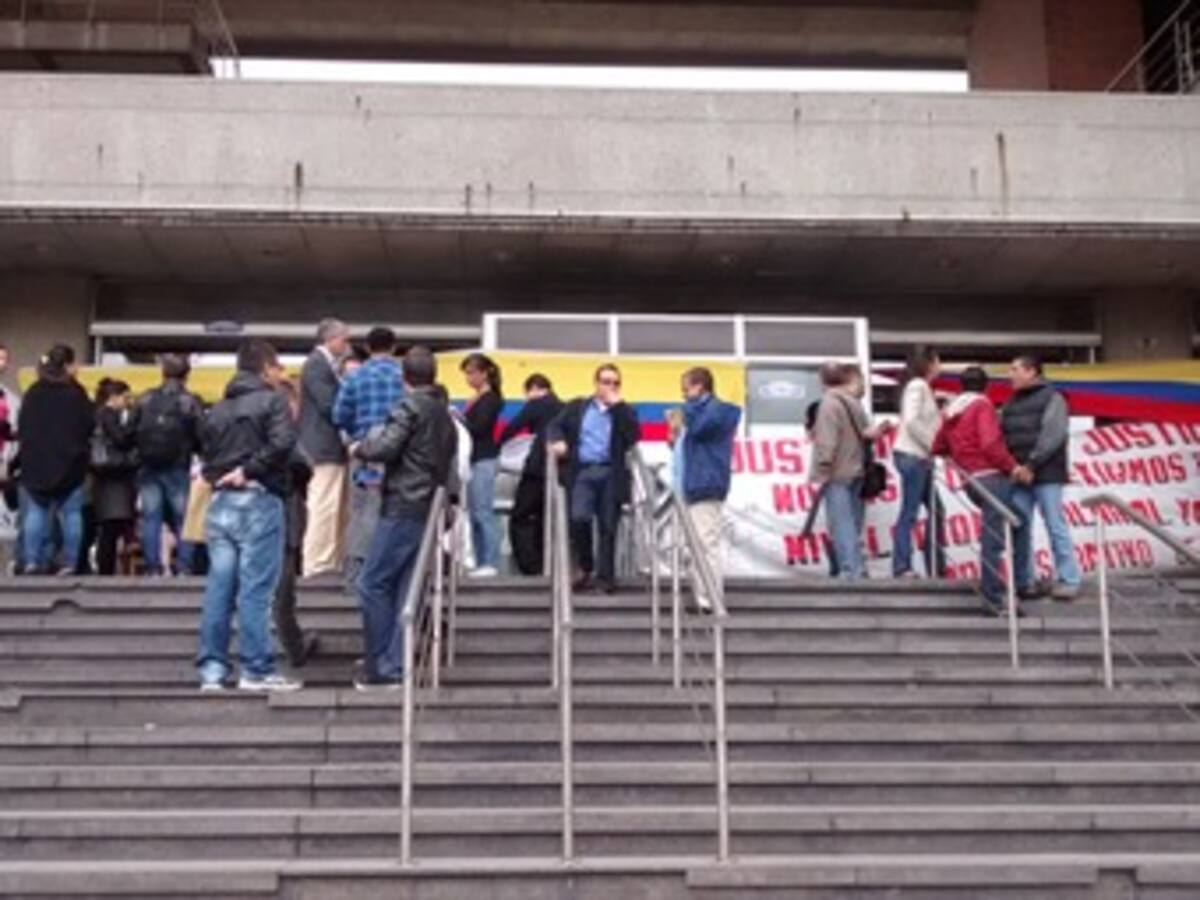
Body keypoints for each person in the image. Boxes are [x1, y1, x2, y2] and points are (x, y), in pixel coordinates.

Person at [196, 339, 300, 692]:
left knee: (219, 588)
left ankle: (212, 669)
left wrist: (225, 474)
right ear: (266, 367)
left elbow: (206, 453)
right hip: (259, 498)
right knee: (256, 590)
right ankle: (255, 668)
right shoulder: (273, 401)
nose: (280, 373)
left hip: (221, 502)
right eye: (277, 367)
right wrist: (250, 470)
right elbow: (285, 443)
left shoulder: (218, 408)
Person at [350, 346, 457, 691]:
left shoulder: (408, 406)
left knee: (373, 582)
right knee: (403, 588)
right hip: (428, 506)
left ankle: (381, 665)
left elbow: (384, 448)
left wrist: (359, 448)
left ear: (403, 378)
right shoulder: (445, 416)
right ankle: (396, 661)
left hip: (403, 504)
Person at [933, 366, 1028, 616]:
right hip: (991, 477)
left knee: (1017, 522)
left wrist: (959, 455)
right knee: (995, 539)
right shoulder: (982, 406)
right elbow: (990, 443)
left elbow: (937, 445)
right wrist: (1013, 467)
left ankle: (1014, 584)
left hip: (971, 482)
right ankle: (995, 597)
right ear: (986, 387)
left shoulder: (953, 411)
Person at [547, 364, 640, 594]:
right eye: (606, 382)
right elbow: (554, 426)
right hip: (583, 472)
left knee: (608, 527)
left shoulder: (625, 411)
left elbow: (633, 436)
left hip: (611, 473)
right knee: (579, 517)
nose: (611, 387)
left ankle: (605, 578)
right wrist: (558, 440)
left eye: (615, 383)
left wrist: (618, 407)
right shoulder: (578, 407)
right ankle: (585, 566)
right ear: (596, 384)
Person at [1001, 355, 1082, 601]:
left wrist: (1031, 464)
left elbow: (1053, 434)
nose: (1010, 374)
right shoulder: (1010, 403)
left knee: (1054, 524)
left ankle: (1069, 579)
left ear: (1031, 372)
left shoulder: (1053, 398)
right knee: (1020, 525)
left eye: (1015, 369)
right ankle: (1024, 580)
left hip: (1046, 473)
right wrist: (1016, 468)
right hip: (1021, 474)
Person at [332, 326, 405, 586]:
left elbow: (339, 415)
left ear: (369, 347)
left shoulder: (355, 377)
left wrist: (355, 439)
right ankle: (389, 572)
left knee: (361, 510)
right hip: (398, 453)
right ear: (394, 347)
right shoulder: (403, 377)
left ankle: (356, 574)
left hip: (363, 451)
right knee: (393, 512)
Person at [16, 345, 94, 575]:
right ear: (68, 365)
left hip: (36, 462)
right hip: (71, 461)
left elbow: (23, 426)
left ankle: (31, 560)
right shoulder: (76, 394)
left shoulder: (33, 392)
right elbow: (88, 425)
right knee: (71, 514)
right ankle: (69, 562)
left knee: (36, 512)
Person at [810, 363, 887, 581]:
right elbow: (864, 434)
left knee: (841, 523)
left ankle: (849, 570)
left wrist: (822, 468)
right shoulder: (854, 403)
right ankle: (858, 567)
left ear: (822, 381)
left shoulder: (829, 404)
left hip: (837, 470)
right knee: (853, 522)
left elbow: (827, 441)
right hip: (856, 469)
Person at [676, 367, 741, 611]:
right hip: (692, 483)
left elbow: (702, 429)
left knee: (705, 543)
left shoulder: (714, 411)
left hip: (705, 482)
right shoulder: (699, 412)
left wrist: (686, 412)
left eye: (686, 388)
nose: (683, 394)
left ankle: (708, 598)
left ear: (699, 386)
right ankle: (703, 594)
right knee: (694, 544)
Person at [135, 353, 203, 576]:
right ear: (187, 375)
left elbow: (131, 432)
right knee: (183, 517)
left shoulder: (145, 399)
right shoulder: (189, 401)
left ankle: (153, 566)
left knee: (151, 517)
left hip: (148, 465)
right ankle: (184, 566)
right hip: (178, 465)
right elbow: (201, 435)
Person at [299, 317, 351, 578]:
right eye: (345, 339)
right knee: (324, 506)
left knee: (334, 508)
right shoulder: (317, 366)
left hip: (326, 447)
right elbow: (330, 406)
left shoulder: (322, 366)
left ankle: (329, 560)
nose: (347, 344)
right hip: (323, 448)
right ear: (331, 339)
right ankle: (318, 563)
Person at [274, 374, 320, 668]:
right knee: (282, 589)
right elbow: (303, 467)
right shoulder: (284, 435)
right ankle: (292, 647)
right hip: (282, 515)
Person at [498, 373, 564, 576]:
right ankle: (548, 566)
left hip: (536, 469)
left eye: (527, 394)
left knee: (520, 517)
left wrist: (497, 446)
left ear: (535, 388)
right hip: (559, 472)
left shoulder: (537, 404)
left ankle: (530, 567)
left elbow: (513, 427)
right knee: (547, 519)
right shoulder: (564, 407)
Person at [891, 346, 946, 579]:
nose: (940, 365)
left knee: (935, 510)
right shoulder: (918, 385)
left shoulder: (918, 387)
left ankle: (934, 565)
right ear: (930, 362)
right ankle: (903, 566)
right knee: (911, 512)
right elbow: (912, 421)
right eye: (938, 360)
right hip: (914, 455)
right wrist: (932, 445)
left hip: (914, 456)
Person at [460, 353, 504, 577]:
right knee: (476, 512)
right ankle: (481, 559)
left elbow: (480, 427)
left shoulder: (490, 399)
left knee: (483, 511)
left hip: (484, 457)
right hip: (475, 458)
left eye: (472, 373)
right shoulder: (478, 398)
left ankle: (490, 559)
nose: (469, 378)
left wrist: (461, 419)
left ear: (484, 373)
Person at [91, 379, 139, 576]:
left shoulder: (97, 415)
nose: (128, 402)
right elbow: (121, 439)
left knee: (109, 527)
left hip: (105, 476)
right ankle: (107, 569)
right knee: (111, 528)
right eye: (125, 397)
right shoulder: (108, 415)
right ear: (114, 397)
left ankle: (107, 568)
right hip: (114, 474)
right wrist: (133, 427)